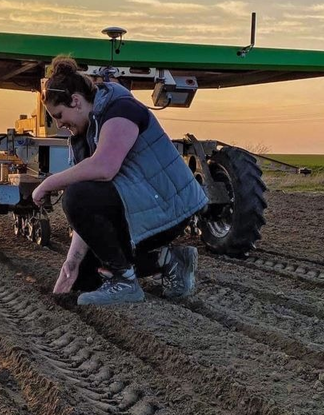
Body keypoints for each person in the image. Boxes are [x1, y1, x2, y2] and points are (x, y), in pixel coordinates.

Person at [31, 56, 208, 306]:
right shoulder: (88, 131)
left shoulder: (121, 109)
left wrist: (49, 183)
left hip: (170, 207)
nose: (59, 124)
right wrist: (70, 265)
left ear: (76, 101)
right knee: (85, 276)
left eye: (59, 115)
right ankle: (169, 260)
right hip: (142, 205)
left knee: (75, 195)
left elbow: (104, 168)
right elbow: (88, 213)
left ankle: (125, 282)